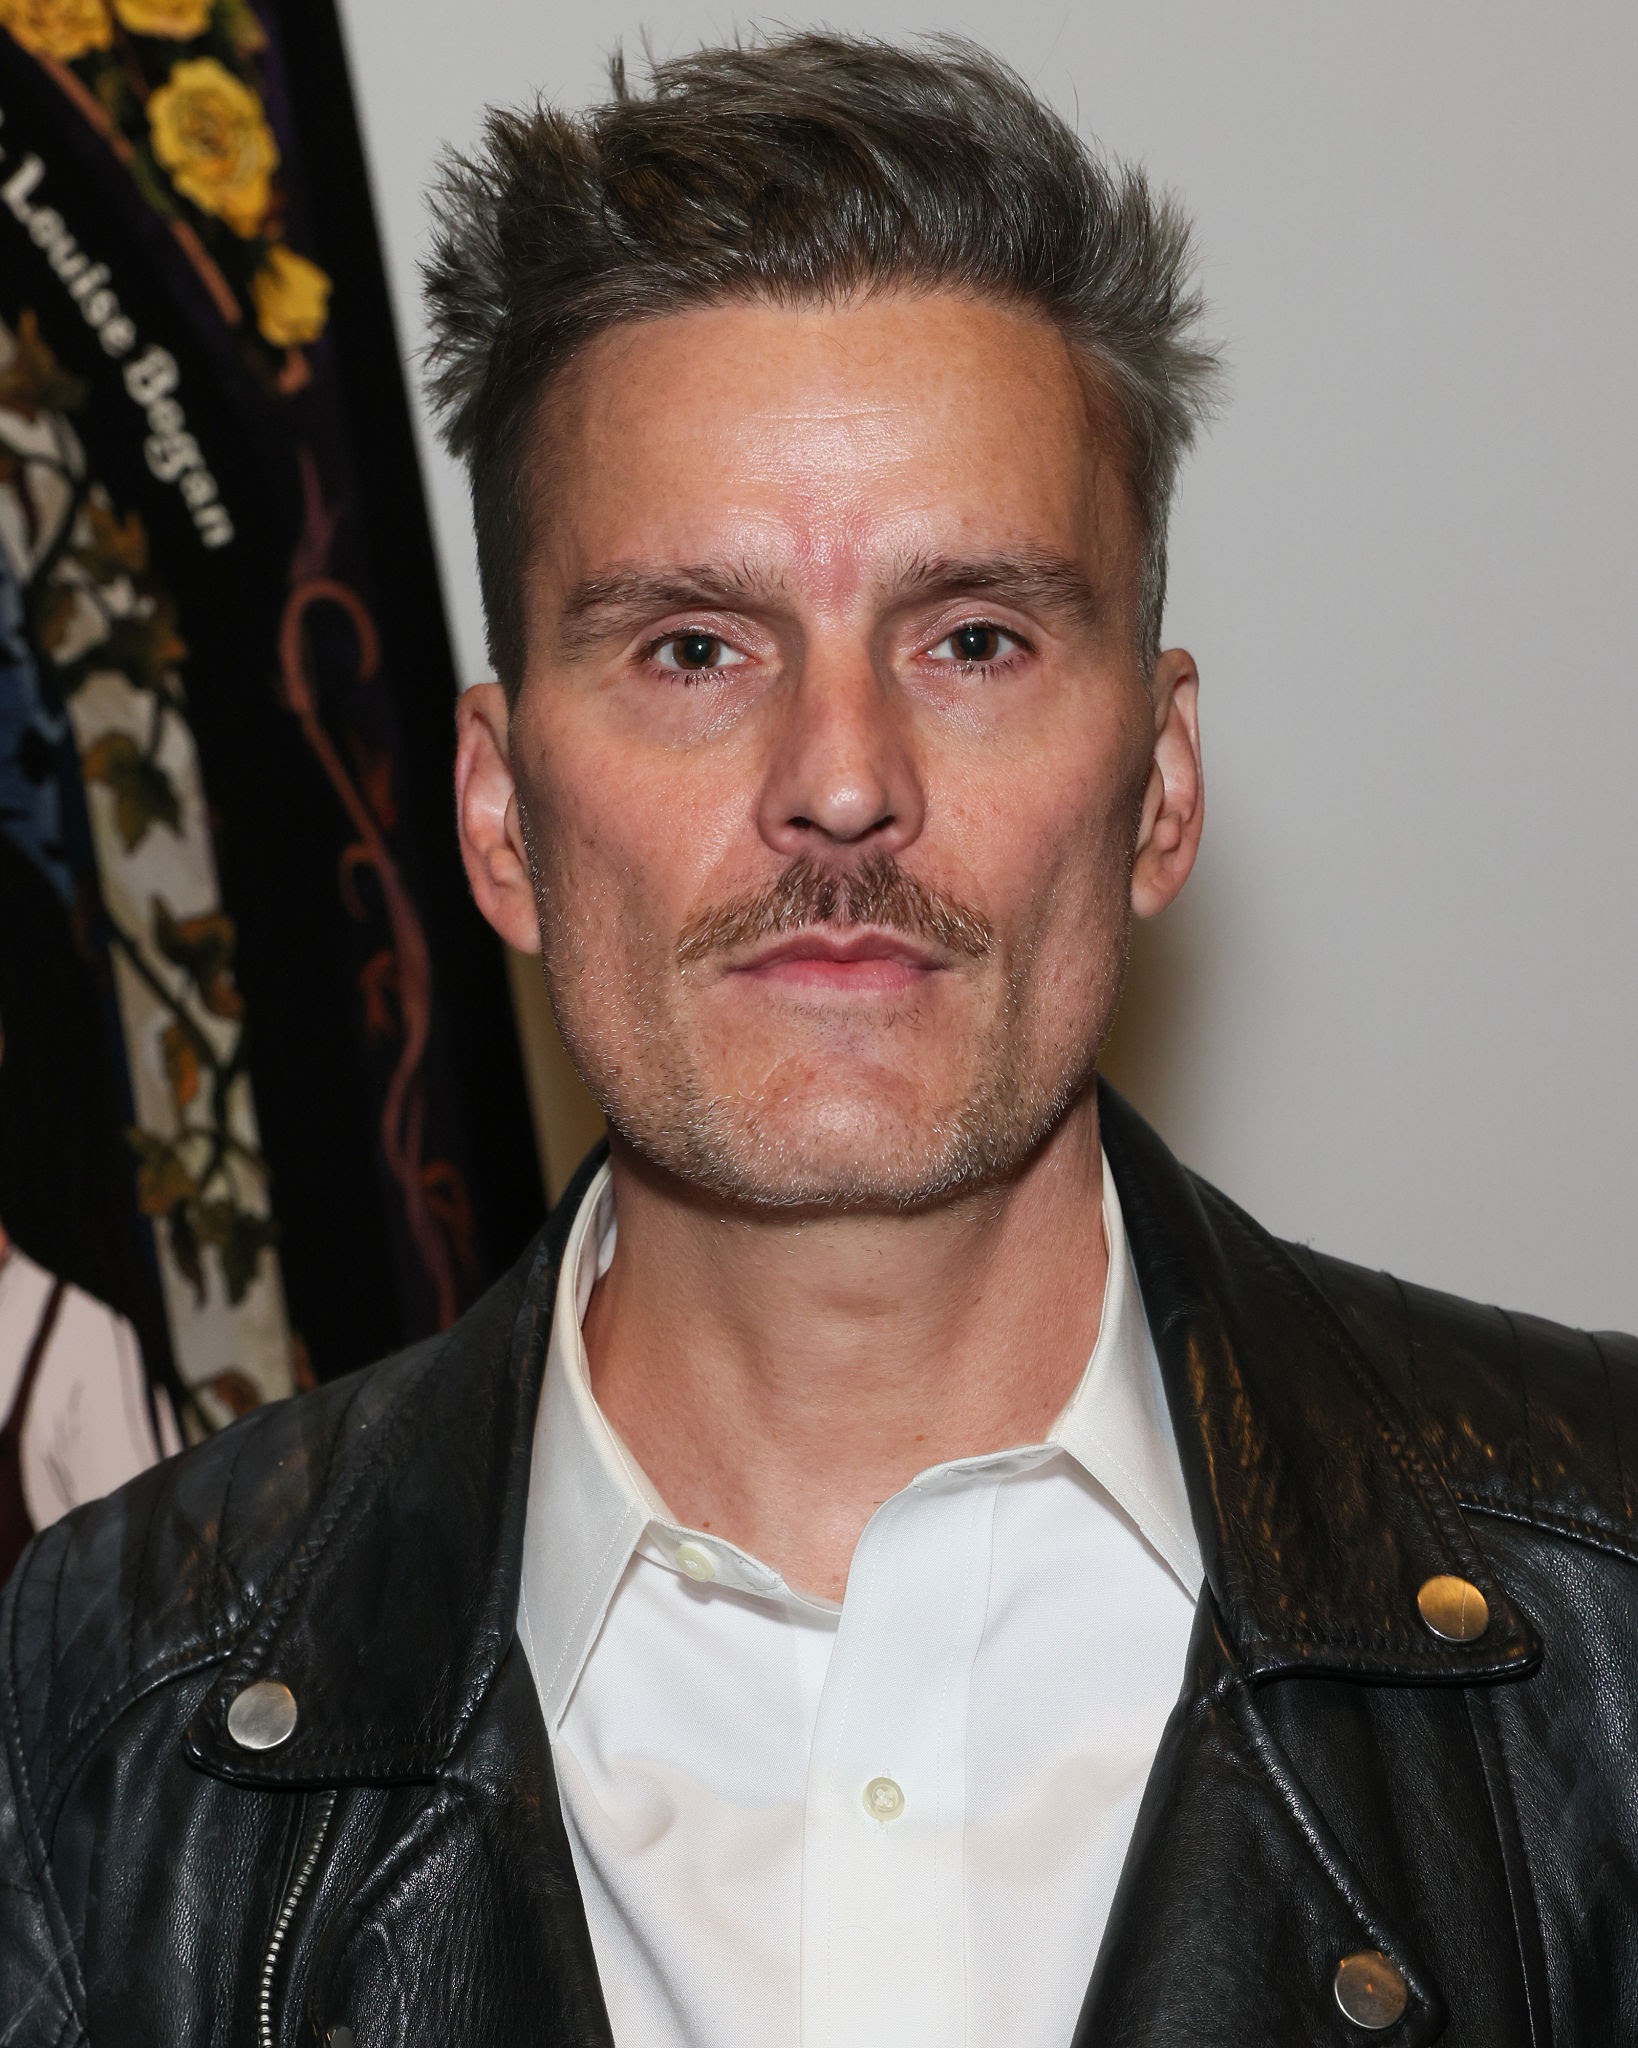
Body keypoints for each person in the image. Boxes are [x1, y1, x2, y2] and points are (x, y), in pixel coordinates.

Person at [2, 32, 1633, 2047]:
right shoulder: (92, 1710)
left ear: (1158, 784)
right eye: (694, 647)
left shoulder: (1613, 1592)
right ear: (498, 817)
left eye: (973, 640)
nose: (843, 782)